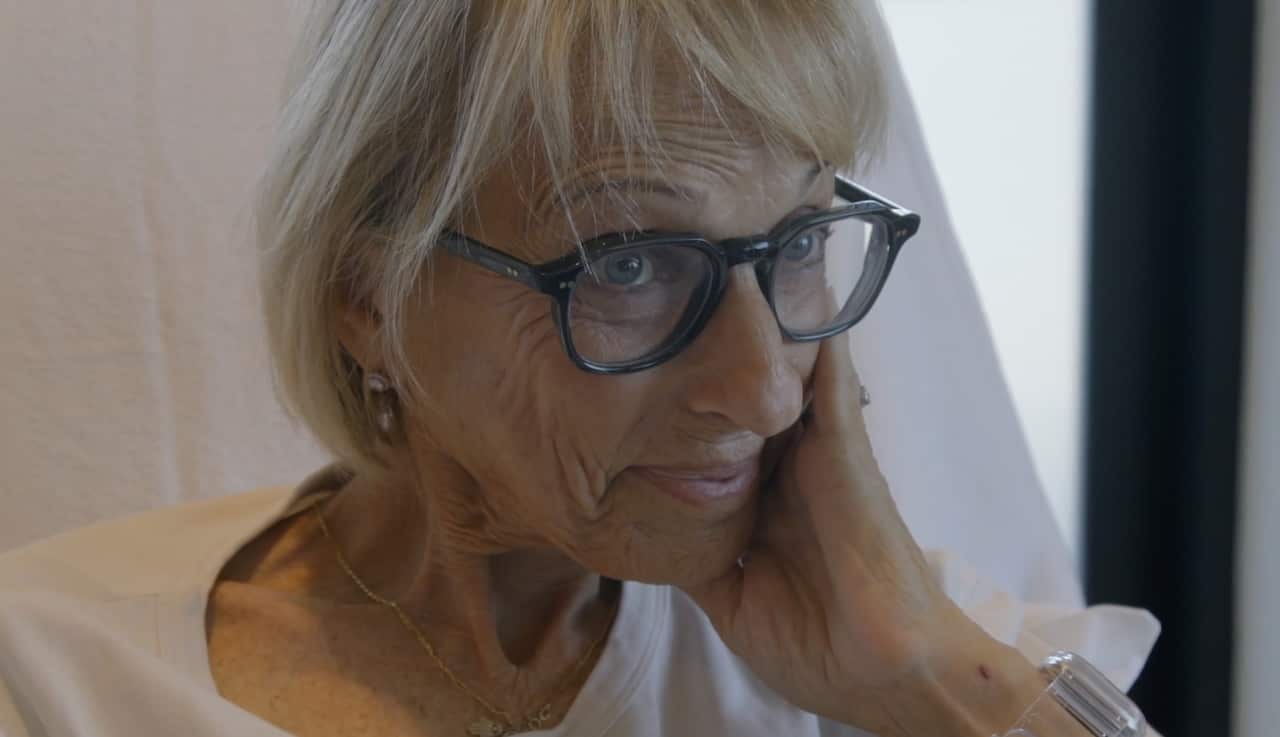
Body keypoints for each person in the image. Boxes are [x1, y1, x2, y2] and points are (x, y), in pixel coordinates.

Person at [0, 2, 1159, 735]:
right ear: (369, 296)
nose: (761, 391)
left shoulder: (899, 644)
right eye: (629, 262)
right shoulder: (56, 677)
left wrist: (925, 683)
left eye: (798, 242)